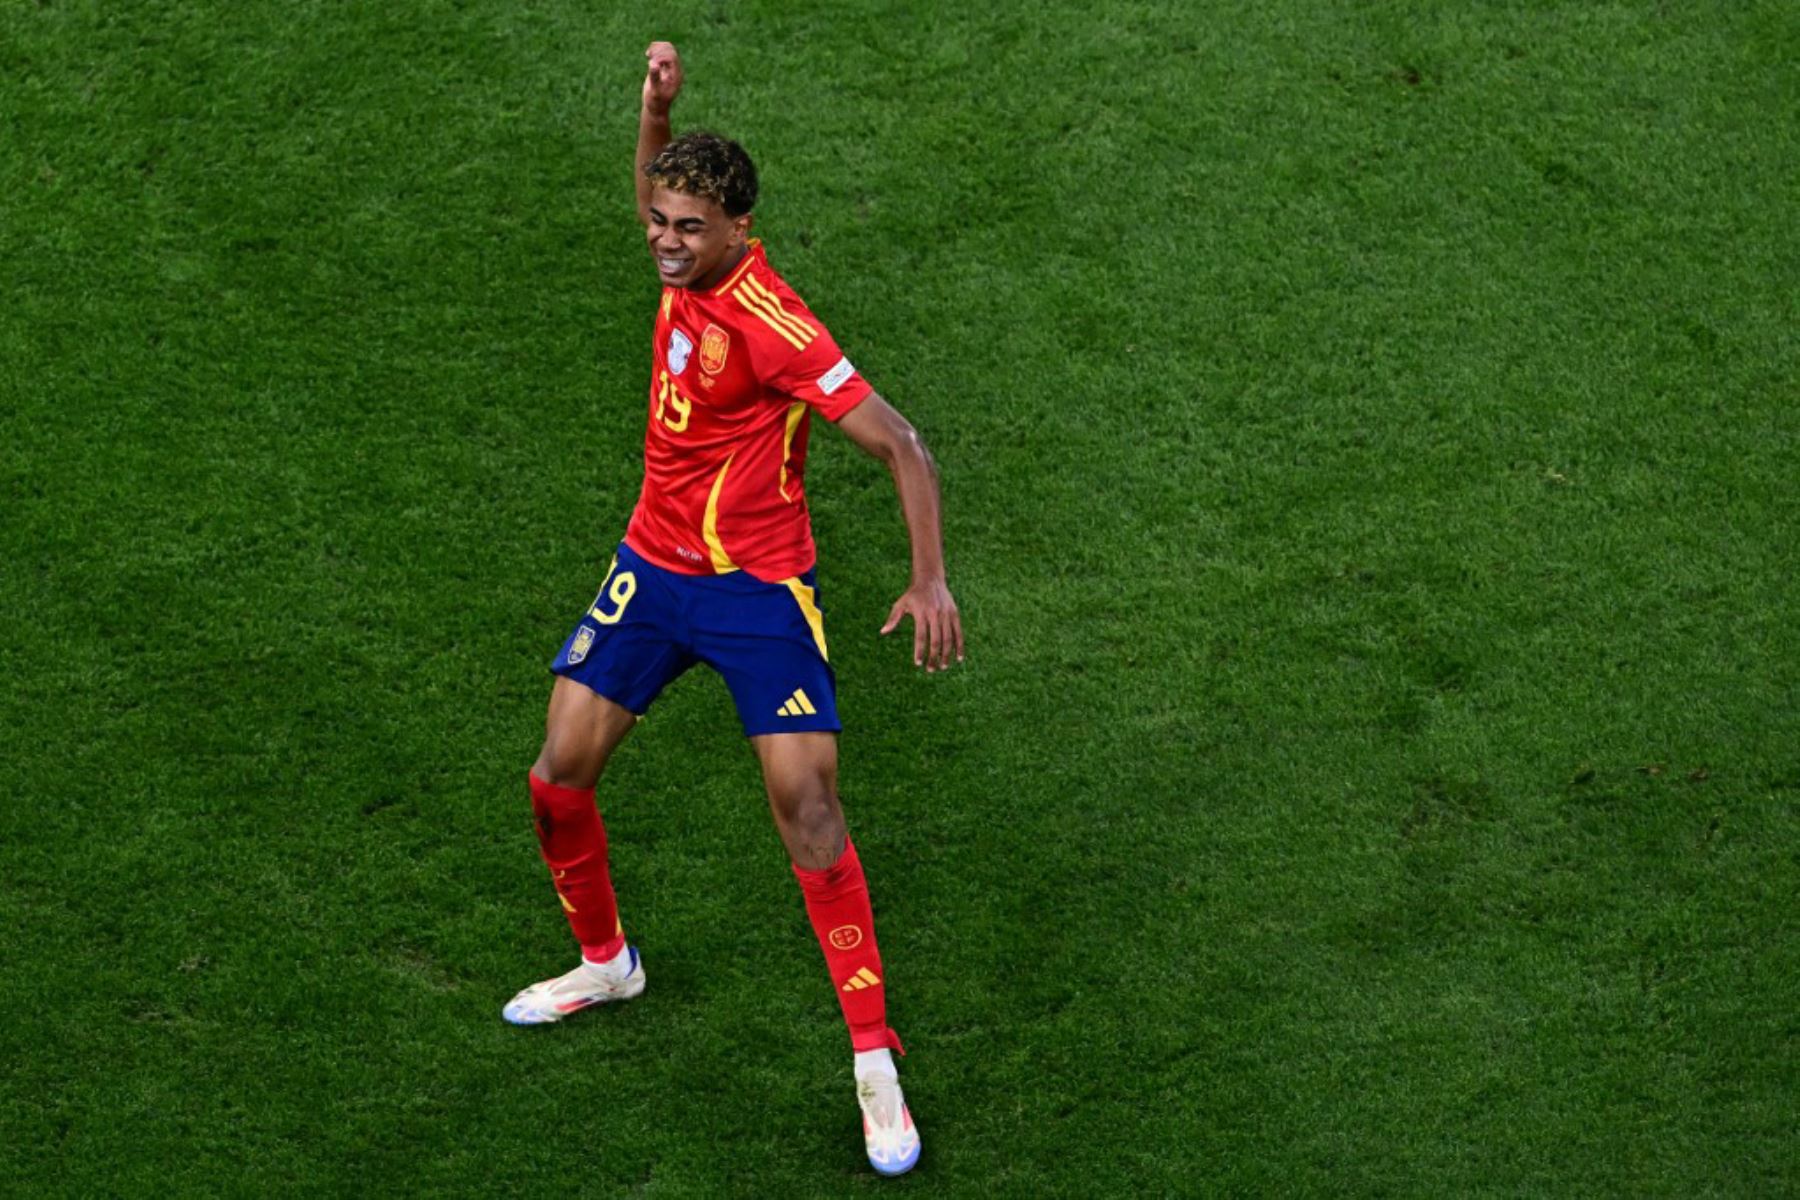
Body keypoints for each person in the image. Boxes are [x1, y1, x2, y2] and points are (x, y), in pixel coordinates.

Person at [500, 41, 963, 1178]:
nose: (664, 240)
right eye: (658, 219)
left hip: (757, 591)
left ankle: (873, 1060)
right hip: (653, 570)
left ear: (739, 231)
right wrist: (657, 110)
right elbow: (660, 179)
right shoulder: (679, 260)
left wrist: (929, 578)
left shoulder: (774, 322)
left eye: (688, 228)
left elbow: (901, 441)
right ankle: (607, 963)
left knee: (808, 807)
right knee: (557, 777)